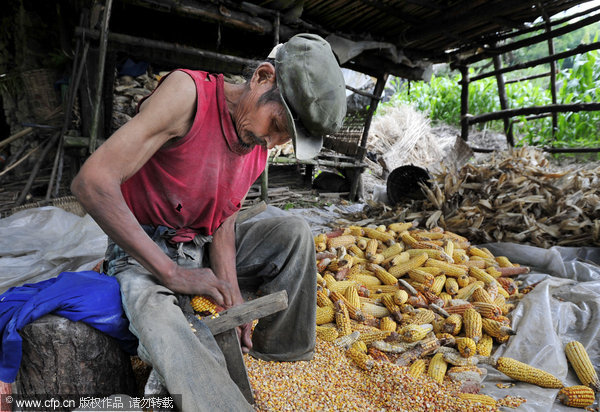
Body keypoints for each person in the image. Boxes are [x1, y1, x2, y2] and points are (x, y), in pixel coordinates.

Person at [71, 33, 346, 411]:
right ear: (262, 77)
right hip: (146, 249)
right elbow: (91, 182)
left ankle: (280, 358)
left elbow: (224, 221)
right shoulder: (188, 96)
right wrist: (171, 273)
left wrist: (231, 296)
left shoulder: (257, 142)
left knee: (294, 232)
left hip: (198, 245)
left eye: (285, 137)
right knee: (166, 328)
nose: (274, 140)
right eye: (278, 123)